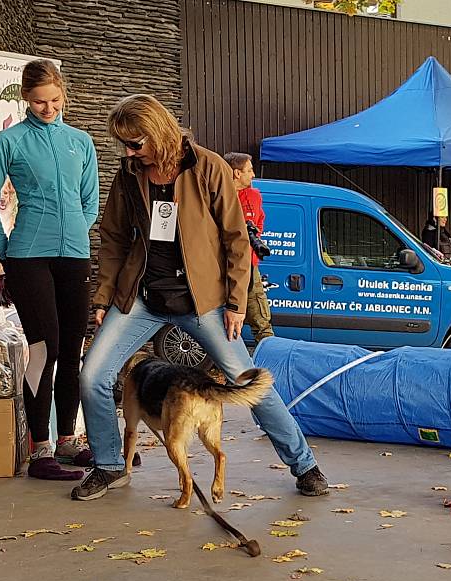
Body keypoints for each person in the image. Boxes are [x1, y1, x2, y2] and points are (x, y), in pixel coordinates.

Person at [71, 94, 328, 501]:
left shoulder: (208, 167)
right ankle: (108, 465)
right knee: (92, 375)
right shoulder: (129, 173)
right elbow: (114, 239)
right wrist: (103, 298)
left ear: (158, 133)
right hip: (142, 295)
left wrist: (237, 303)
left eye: (135, 143)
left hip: (204, 299)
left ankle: (305, 465)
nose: (129, 151)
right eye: (124, 144)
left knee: (247, 381)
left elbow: (236, 239)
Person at [0, 59, 98, 480]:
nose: (48, 108)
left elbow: (90, 201)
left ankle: (68, 441)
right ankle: (40, 446)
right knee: (44, 348)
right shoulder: (9, 141)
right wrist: (8, 252)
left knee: (72, 350)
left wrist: (75, 233)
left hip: (74, 255)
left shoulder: (80, 141)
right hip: (28, 255)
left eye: (55, 100)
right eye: (39, 101)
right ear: (26, 98)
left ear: (64, 95)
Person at [224, 152, 274, 345]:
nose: (253, 175)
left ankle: (269, 360)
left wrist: (251, 235)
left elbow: (259, 223)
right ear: (236, 173)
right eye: (250, 170)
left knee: (260, 318)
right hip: (222, 265)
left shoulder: (253, 196)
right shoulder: (218, 194)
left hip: (249, 265)